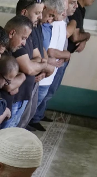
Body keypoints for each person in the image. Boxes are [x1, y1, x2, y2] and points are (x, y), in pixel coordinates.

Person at [5, 4, 54, 129]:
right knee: (4, 135)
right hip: (14, 97)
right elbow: (29, 68)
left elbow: (38, 57)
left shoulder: (29, 32)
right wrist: (41, 66)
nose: (40, 16)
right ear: (24, 11)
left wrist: (40, 65)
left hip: (24, 93)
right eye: (37, 13)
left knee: (14, 130)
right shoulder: (16, 39)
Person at [28, 0, 69, 131]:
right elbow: (41, 51)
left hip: (41, 70)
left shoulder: (43, 26)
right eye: (50, 15)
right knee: (26, 107)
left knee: (34, 104)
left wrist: (45, 65)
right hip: (32, 72)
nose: (50, 20)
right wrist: (45, 65)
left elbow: (43, 50)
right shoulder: (32, 26)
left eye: (53, 17)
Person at [0, 15, 31, 129]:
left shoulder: (9, 51)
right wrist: (22, 76)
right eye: (23, 38)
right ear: (12, 33)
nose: (24, 43)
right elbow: (9, 86)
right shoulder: (0, 54)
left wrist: (18, 78)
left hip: (6, 110)